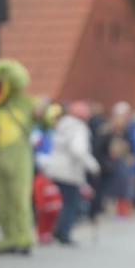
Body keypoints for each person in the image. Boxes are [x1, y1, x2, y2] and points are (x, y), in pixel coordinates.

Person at [0, 59, 35, 255]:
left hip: (20, 160)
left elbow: (46, 120)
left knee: (20, 199)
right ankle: (9, 236)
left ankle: (24, 236)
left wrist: (46, 113)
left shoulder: (27, 103)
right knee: (2, 201)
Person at [43, 102, 100, 245]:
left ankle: (57, 230)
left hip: (55, 168)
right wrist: (92, 165)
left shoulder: (62, 124)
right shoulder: (79, 128)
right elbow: (78, 149)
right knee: (70, 203)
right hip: (69, 171)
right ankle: (63, 233)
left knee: (61, 202)